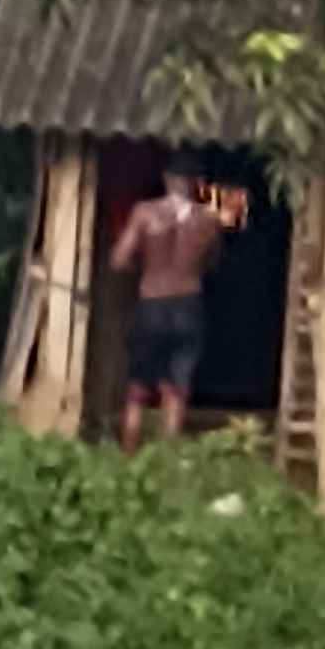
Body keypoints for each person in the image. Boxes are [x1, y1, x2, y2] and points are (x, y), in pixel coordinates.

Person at [112, 162, 221, 448]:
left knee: (137, 388)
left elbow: (119, 259)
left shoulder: (145, 212)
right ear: (196, 182)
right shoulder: (210, 217)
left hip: (152, 304)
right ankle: (168, 457)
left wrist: (142, 266)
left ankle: (128, 456)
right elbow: (213, 261)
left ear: (166, 178)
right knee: (177, 388)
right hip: (189, 305)